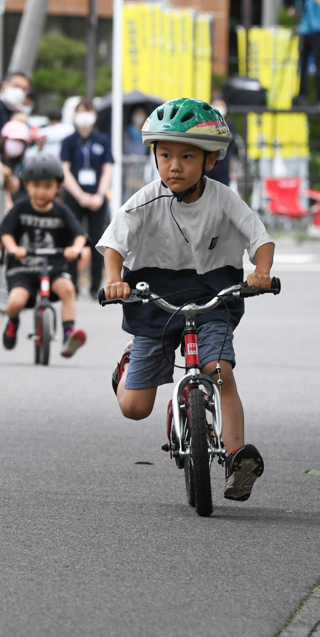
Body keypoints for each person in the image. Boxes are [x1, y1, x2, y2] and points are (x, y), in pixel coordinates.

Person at [99, 97, 274, 502]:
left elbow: (259, 238)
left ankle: (236, 458)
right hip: (153, 298)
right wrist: (113, 280)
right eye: (165, 155)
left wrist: (261, 271)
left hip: (212, 297)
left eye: (187, 156)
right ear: (154, 157)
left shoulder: (223, 198)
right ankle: (129, 363)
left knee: (219, 371)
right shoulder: (144, 200)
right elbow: (114, 245)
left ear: (210, 160)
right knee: (135, 407)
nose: (174, 166)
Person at [0, 153, 88, 358]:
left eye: (47, 186)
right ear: (27, 185)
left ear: (57, 188)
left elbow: (79, 234)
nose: (41, 192)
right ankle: (12, 322)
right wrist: (13, 248)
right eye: (36, 186)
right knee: (15, 303)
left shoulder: (61, 211)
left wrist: (76, 248)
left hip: (53, 267)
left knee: (68, 290)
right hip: (23, 268)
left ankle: (69, 335)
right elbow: (5, 233)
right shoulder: (20, 208)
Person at [60, 98, 115, 294]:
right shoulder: (69, 141)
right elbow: (64, 170)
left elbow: (107, 168)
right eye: (80, 111)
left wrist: (99, 194)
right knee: (73, 238)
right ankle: (72, 284)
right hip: (75, 196)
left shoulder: (102, 140)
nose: (84, 115)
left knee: (97, 239)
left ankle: (94, 286)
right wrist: (80, 195)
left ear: (94, 115)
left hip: (97, 197)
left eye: (87, 111)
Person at [206, 92, 236, 188]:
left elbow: (231, 151)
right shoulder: (206, 126)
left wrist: (232, 170)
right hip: (208, 169)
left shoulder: (230, 126)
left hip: (224, 171)